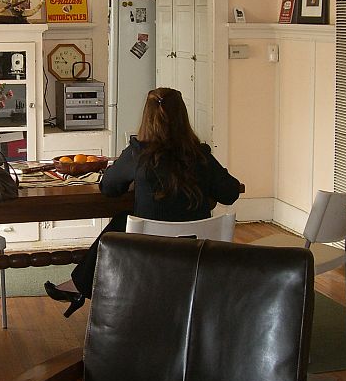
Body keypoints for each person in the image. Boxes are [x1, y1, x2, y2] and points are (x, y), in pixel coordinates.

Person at [45, 87, 242, 316]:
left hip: (150, 256)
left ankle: (80, 286)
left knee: (122, 221)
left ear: (147, 118)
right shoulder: (200, 155)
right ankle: (78, 286)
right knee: (123, 220)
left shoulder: (138, 153)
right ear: (183, 117)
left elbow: (108, 187)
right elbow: (230, 192)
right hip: (197, 255)